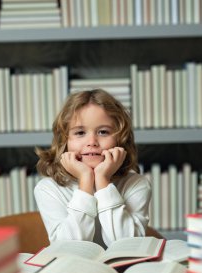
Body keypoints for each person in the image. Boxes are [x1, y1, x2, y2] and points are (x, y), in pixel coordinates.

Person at [34, 89, 151, 249]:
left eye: (103, 132)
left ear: (120, 140)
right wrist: (85, 181)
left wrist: (102, 181)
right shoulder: (48, 189)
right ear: (64, 141)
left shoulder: (137, 184)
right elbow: (69, 249)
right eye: (80, 132)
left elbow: (128, 247)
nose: (92, 141)